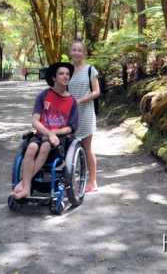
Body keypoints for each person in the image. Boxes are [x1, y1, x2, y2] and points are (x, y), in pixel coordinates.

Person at [10, 61, 78, 200]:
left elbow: (70, 127)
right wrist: (49, 133)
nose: (65, 76)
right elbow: (35, 121)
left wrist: (54, 133)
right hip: (42, 133)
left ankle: (23, 184)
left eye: (67, 74)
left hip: (60, 138)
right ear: (54, 78)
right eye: (61, 74)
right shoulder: (43, 96)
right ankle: (27, 188)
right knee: (31, 148)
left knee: (46, 146)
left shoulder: (72, 101)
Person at [67, 40, 100, 193]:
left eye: (79, 50)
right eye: (74, 50)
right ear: (70, 52)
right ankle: (71, 177)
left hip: (86, 112)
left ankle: (93, 182)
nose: (76, 52)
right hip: (70, 113)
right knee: (68, 146)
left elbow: (96, 91)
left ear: (84, 53)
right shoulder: (67, 71)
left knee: (87, 148)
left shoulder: (90, 70)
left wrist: (80, 100)